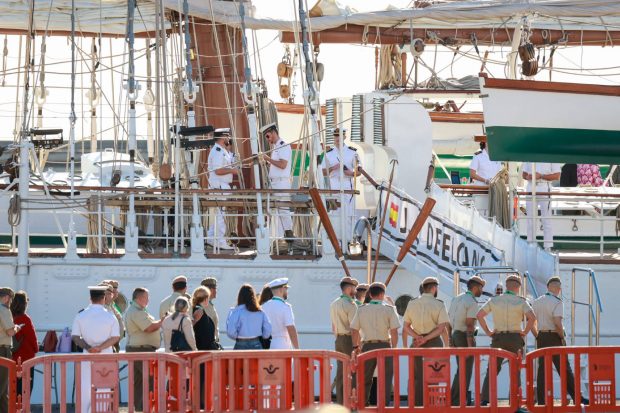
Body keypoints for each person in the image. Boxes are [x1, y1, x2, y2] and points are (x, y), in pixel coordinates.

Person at [478, 274, 536, 405]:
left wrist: (488, 332)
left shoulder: (495, 300)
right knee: (516, 370)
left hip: (498, 337)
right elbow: (532, 317)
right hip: (515, 338)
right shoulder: (521, 301)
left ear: (506, 285)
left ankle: (485, 399)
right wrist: (524, 332)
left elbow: (479, 315)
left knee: (492, 369)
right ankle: (514, 401)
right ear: (518, 287)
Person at [532, 276, 588, 405]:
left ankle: (541, 401)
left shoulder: (537, 301)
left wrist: (537, 335)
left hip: (541, 337)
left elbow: (531, 321)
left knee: (542, 370)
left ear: (548, 287)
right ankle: (577, 398)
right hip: (554, 337)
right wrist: (562, 337)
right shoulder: (557, 302)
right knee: (564, 368)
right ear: (558, 288)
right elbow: (557, 323)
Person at [71, 286, 120, 413]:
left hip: (87, 357)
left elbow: (75, 336)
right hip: (106, 357)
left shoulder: (81, 315)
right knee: (104, 387)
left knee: (85, 388)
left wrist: (88, 347)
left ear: (90, 298)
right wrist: (100, 348)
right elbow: (116, 337)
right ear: (104, 298)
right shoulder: (110, 316)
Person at [402, 277, 450, 406]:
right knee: (434, 375)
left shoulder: (412, 303)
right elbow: (441, 328)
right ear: (434, 288)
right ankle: (431, 404)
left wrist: (418, 337)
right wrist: (429, 339)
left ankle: (416, 405)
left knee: (417, 376)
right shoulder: (439, 304)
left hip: (416, 344)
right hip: (434, 343)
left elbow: (406, 327)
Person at [350, 282, 399, 406]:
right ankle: (384, 405)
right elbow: (394, 331)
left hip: (367, 346)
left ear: (370, 294)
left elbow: (354, 330)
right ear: (382, 294)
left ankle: (362, 404)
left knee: (365, 377)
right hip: (385, 346)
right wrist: (394, 348)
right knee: (386, 378)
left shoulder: (361, 309)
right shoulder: (389, 309)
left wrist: (356, 346)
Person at [447, 276, 485, 406]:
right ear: (475, 287)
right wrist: (470, 347)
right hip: (464, 337)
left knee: (460, 370)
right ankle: (457, 401)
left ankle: (454, 399)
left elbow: (449, 322)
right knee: (465, 371)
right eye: (481, 288)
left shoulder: (456, 299)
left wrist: (450, 342)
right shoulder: (472, 302)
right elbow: (469, 325)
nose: (482, 290)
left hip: (456, 335)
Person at [321, 128, 364, 239]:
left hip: (346, 184)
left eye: (339, 136)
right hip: (333, 184)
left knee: (348, 213)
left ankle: (349, 240)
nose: (337, 139)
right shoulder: (328, 154)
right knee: (334, 214)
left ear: (344, 137)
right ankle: (335, 241)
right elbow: (322, 171)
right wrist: (333, 167)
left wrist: (350, 172)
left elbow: (359, 171)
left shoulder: (352, 152)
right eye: (335, 136)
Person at [125, 287, 163, 412]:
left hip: (139, 350)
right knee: (149, 379)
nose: (148, 300)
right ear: (139, 298)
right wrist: (163, 321)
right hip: (141, 351)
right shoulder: (136, 311)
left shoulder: (138, 310)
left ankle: (141, 407)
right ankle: (147, 407)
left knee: (140, 381)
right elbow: (149, 328)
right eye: (146, 297)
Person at [259, 123, 294, 240]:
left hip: (281, 183)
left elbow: (283, 165)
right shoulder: (276, 147)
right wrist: (267, 162)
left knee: (283, 211)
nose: (268, 140)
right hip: (275, 183)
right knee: (275, 211)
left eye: (268, 136)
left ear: (274, 133)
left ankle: (288, 238)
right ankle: (278, 238)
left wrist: (268, 158)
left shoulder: (283, 146)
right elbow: (277, 165)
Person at [329, 277, 359, 405]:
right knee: (353, 371)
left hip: (339, 339)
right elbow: (354, 328)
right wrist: (356, 345)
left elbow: (333, 326)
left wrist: (338, 337)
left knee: (341, 371)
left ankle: (341, 402)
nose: (355, 290)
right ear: (349, 288)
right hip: (348, 340)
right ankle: (352, 402)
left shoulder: (334, 303)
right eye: (354, 288)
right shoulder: (351, 305)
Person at [207, 128, 238, 250]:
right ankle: (219, 240)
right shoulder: (218, 151)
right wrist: (232, 170)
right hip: (219, 186)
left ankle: (211, 237)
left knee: (219, 214)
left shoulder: (222, 151)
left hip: (222, 185)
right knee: (220, 215)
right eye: (227, 137)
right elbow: (218, 170)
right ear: (223, 137)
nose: (228, 139)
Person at [522, 162, 562, 250]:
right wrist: (527, 177)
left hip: (544, 186)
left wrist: (541, 176)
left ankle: (548, 247)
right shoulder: (528, 153)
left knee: (546, 218)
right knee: (530, 218)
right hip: (530, 186)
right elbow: (523, 174)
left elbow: (557, 175)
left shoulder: (550, 154)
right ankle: (530, 244)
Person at [226, 284, 272, 350]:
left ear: (240, 296)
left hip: (240, 344)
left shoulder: (236, 311)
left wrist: (238, 336)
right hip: (256, 343)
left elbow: (231, 332)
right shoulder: (260, 312)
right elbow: (267, 331)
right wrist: (263, 336)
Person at [10, 291, 38, 395]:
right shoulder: (25, 319)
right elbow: (33, 340)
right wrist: (36, 349)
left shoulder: (10, 318)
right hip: (26, 359)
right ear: (24, 304)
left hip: (13, 359)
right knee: (26, 388)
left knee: (15, 387)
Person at [261, 278, 299, 349]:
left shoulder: (263, 306)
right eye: (286, 289)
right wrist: (297, 349)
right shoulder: (286, 307)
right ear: (281, 289)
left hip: (268, 345)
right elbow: (291, 328)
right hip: (283, 344)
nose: (287, 292)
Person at [0, 288, 19, 413]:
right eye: (10, 299)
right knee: (1, 387)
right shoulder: (3, 309)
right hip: (3, 350)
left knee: (3, 393)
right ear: (6, 297)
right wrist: (17, 327)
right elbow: (10, 331)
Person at [99, 281, 124, 352]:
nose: (116, 291)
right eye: (114, 289)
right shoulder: (102, 308)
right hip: (107, 345)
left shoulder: (111, 305)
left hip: (114, 344)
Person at [200, 277, 221, 347]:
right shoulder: (205, 305)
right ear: (208, 290)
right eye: (214, 288)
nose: (216, 291)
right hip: (207, 344)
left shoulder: (209, 304)